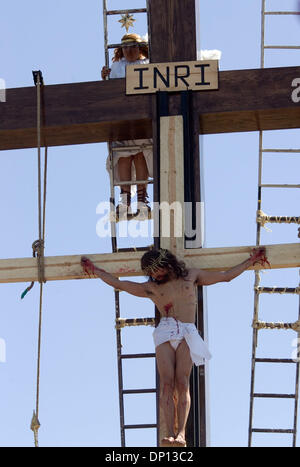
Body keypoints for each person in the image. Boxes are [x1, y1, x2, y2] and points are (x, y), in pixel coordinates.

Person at [81, 246, 268, 447]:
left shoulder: (191, 276)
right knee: (167, 384)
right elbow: (119, 284)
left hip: (187, 331)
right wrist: (95, 270)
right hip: (165, 331)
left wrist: (251, 261)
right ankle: (169, 434)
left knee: (182, 382)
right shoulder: (152, 288)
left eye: (157, 270)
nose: (155, 275)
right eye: (151, 273)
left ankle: (181, 435)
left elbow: (225, 276)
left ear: (167, 263)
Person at [101, 33, 153, 219]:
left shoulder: (148, 64)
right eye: (126, 47)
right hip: (122, 116)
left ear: (140, 48)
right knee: (123, 155)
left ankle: (141, 200)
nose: (129, 51)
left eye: (133, 47)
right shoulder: (116, 67)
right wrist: (105, 79)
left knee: (140, 154)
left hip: (141, 116)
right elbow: (110, 91)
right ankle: (124, 203)